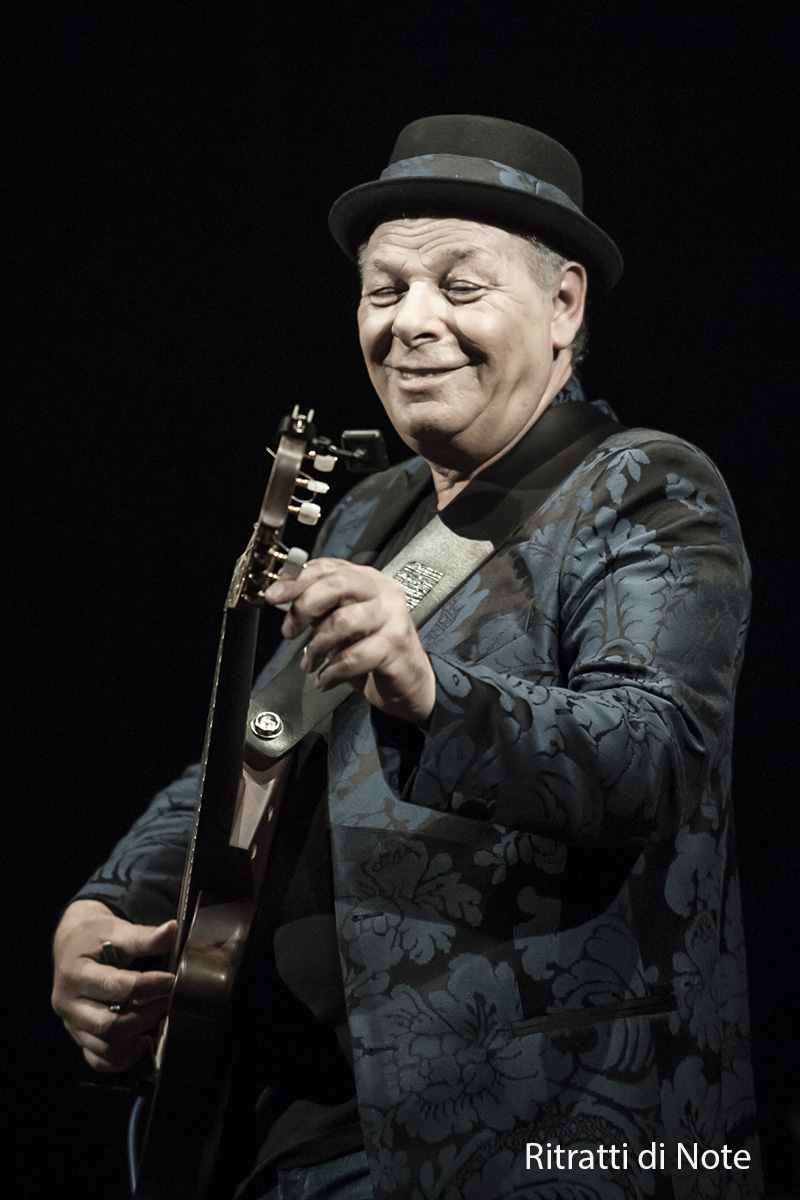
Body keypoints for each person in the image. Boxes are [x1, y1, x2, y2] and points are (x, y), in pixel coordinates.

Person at [52, 115, 761, 1199]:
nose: (409, 324)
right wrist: (105, 905)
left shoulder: (643, 489)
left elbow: (651, 754)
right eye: (382, 292)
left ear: (563, 303)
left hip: (525, 1133)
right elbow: (263, 741)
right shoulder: (370, 515)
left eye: (457, 287)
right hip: (275, 1137)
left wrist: (430, 691)